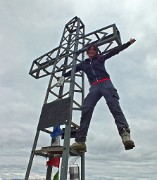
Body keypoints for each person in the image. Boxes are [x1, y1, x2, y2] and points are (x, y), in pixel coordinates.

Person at [57, 38, 136, 151]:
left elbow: (114, 51)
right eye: (90, 49)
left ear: (96, 51)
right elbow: (73, 70)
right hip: (94, 87)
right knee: (86, 109)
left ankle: (125, 135)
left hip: (105, 83)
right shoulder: (83, 64)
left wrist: (127, 44)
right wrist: (63, 76)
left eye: (94, 49)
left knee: (114, 106)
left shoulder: (100, 59)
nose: (92, 51)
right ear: (87, 52)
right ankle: (80, 141)